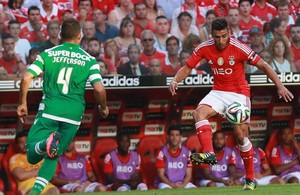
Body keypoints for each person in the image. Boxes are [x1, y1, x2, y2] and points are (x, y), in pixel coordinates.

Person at [168, 18, 294, 191]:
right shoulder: (204, 47)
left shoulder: (239, 47)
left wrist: (279, 86)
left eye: (224, 36)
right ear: (212, 34)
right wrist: (175, 79)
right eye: (217, 36)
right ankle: (209, 154)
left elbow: (264, 65)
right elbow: (188, 67)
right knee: (199, 113)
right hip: (218, 91)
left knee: (241, 136)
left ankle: (250, 179)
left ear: (229, 33)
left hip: (239, 93)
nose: (220, 40)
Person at [16, 18, 109, 195]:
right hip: (73, 114)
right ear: (80, 36)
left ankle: (44, 144)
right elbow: (99, 88)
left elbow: (26, 78)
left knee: (32, 154)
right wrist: (103, 107)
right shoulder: (89, 60)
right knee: (54, 155)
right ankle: (36, 192)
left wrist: (22, 103)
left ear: (60, 35)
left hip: (51, 109)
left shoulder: (47, 54)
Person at [155, 125, 196, 189]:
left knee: (194, 191)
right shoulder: (161, 152)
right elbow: (161, 175)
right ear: (168, 137)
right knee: (167, 190)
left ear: (180, 137)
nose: (174, 138)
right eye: (172, 135)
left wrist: (183, 185)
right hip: (166, 183)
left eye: (177, 135)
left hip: (183, 183)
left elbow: (189, 174)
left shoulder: (187, 152)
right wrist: (172, 185)